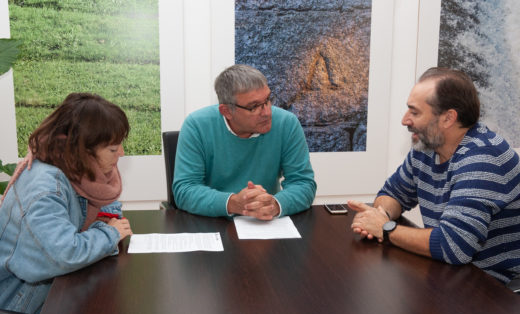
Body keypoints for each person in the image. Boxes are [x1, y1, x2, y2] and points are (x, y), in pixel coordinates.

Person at [348, 67, 520, 284]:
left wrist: (385, 228)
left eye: (415, 112)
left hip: (493, 293)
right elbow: (392, 193)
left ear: (448, 118)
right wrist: (379, 216)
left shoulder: (484, 159)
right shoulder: (427, 148)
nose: (404, 120)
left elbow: (454, 246)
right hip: (450, 277)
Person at [0, 93, 133, 314]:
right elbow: (65, 253)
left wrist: (105, 224)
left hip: (52, 291)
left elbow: (106, 210)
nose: (121, 153)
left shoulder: (74, 169)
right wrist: (108, 233)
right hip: (24, 305)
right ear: (83, 149)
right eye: (112, 148)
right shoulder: (45, 188)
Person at [173, 64, 316, 220]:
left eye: (268, 100)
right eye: (254, 107)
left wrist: (274, 204)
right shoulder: (197, 125)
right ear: (227, 111)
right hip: (212, 222)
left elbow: (303, 183)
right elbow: (185, 190)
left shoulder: (286, 123)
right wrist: (234, 203)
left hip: (266, 224)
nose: (267, 112)